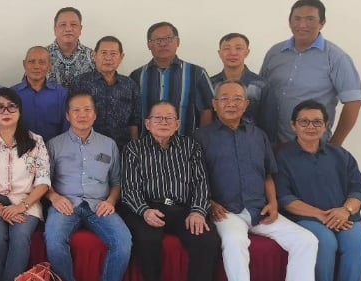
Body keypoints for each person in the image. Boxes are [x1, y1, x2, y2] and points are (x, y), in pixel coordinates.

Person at [193, 81, 317, 281]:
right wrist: (209, 203)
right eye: (224, 99)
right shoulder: (200, 137)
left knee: (306, 240)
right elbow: (193, 179)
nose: (231, 103)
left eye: (237, 99)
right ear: (214, 104)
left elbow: (268, 174)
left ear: (246, 104)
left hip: (259, 209)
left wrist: (274, 203)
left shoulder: (258, 135)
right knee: (235, 241)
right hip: (225, 211)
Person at [119, 102, 221, 281]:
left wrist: (197, 211)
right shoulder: (134, 148)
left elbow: (201, 183)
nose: (164, 122)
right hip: (148, 207)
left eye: (169, 118)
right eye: (157, 118)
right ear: (147, 124)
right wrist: (144, 211)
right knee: (146, 240)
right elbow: (130, 188)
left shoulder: (190, 146)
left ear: (178, 124)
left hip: (183, 208)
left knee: (207, 240)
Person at [276, 100, 361, 281]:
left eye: (317, 122)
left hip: (344, 216)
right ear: (293, 125)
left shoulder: (341, 155)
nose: (311, 126)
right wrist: (321, 215)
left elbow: (358, 189)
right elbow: (285, 198)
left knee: (356, 246)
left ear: (326, 126)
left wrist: (345, 210)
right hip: (306, 218)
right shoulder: (282, 158)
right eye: (304, 121)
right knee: (325, 243)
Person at [44, 92, 132, 281]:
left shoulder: (109, 145)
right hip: (66, 204)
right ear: (67, 116)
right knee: (53, 243)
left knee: (123, 242)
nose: (82, 115)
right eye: (76, 110)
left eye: (87, 110)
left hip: (99, 205)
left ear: (95, 114)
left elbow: (117, 181)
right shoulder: (54, 144)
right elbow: (44, 181)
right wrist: (55, 197)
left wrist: (111, 201)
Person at [260, 0, 361, 146]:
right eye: (297, 19)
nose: (302, 25)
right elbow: (262, 93)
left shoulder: (335, 58)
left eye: (310, 19)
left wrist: (334, 147)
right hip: (272, 145)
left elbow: (354, 102)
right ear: (289, 22)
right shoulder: (275, 53)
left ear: (322, 23)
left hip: (311, 148)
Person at [0, 88, 49, 281]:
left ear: (20, 111)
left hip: (27, 201)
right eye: (0, 108)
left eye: (11, 107)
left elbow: (43, 182)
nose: (6, 112)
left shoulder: (36, 141)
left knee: (20, 237)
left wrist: (21, 207)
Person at [130, 22, 214, 136]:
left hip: (186, 148)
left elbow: (207, 110)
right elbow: (132, 116)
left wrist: (202, 142)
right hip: (146, 149)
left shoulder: (197, 73)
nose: (163, 44)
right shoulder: (137, 76)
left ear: (178, 42)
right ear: (149, 45)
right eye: (158, 40)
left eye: (168, 39)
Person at [70, 36, 141, 149]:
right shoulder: (80, 83)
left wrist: (134, 147)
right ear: (94, 55)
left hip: (122, 148)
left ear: (121, 57)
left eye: (113, 54)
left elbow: (134, 120)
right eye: (103, 53)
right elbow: (71, 116)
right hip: (88, 147)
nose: (108, 58)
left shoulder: (130, 85)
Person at [12, 46, 69, 142]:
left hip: (54, 149)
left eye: (42, 62)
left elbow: (67, 127)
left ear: (49, 66)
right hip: (21, 150)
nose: (36, 66)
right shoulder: (12, 94)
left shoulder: (62, 94)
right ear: (24, 64)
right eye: (31, 61)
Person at [210, 33, 267, 127]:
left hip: (253, 139)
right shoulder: (210, 84)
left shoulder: (261, 85)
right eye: (227, 48)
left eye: (239, 48)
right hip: (216, 139)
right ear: (219, 53)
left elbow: (268, 122)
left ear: (247, 52)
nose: (233, 53)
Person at [47, 7, 95, 88]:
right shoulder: (40, 55)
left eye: (73, 24)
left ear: (80, 29)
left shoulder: (93, 57)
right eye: (63, 25)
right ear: (55, 29)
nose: (68, 29)